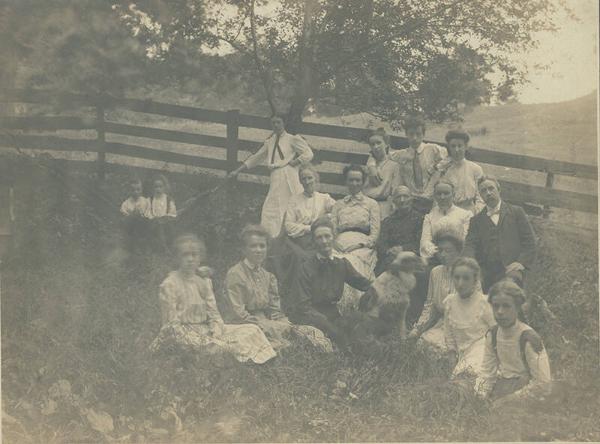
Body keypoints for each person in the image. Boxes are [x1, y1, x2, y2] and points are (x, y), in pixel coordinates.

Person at [149, 234, 277, 364]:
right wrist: (203, 338)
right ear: (177, 258)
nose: (190, 259)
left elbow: (213, 313)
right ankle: (240, 360)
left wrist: (216, 330)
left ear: (200, 258)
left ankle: (258, 361)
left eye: (194, 255)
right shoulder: (170, 284)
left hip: (206, 330)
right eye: (185, 255)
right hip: (182, 335)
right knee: (219, 346)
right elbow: (171, 325)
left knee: (251, 329)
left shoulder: (204, 282)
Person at [223, 225, 333, 352]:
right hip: (244, 324)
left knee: (306, 331)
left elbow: (275, 310)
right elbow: (238, 313)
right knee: (281, 340)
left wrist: (283, 324)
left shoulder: (268, 276)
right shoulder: (236, 274)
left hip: (265, 321)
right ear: (243, 249)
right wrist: (271, 326)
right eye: (253, 246)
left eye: (262, 246)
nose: (258, 250)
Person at [290, 217, 372, 348]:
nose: (324, 241)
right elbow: (302, 306)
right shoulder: (305, 268)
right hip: (311, 317)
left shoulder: (341, 264)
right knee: (340, 339)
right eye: (319, 237)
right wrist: (330, 328)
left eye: (327, 236)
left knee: (360, 324)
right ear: (313, 240)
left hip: (333, 314)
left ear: (334, 237)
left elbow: (366, 284)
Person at [228, 113, 314, 237]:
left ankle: (295, 235)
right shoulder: (269, 142)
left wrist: (295, 162)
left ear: (284, 123)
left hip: (289, 174)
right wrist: (237, 170)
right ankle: (271, 237)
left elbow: (308, 153)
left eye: (278, 122)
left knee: (292, 203)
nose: (276, 125)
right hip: (275, 176)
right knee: (272, 207)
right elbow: (255, 158)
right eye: (273, 123)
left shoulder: (292, 139)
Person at [475, 280, 552, 402]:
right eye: (496, 306)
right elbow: (487, 372)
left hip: (527, 394)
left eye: (506, 306)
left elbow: (543, 383)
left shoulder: (528, 338)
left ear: (517, 308)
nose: (500, 311)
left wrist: (509, 400)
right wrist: (480, 396)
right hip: (504, 386)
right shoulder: (493, 335)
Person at [464, 176, 537, 292]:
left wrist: (521, 262)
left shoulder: (516, 212)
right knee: (475, 288)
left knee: (509, 288)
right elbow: (470, 245)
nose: (488, 193)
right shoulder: (476, 221)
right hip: (487, 271)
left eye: (491, 188)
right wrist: (470, 264)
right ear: (481, 196)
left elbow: (530, 242)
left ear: (499, 190)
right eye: (483, 191)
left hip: (511, 268)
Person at [331, 165, 380, 314]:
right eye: (351, 180)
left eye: (358, 180)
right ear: (346, 182)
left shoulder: (372, 204)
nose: (354, 183)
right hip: (339, 243)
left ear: (363, 182)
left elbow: (375, 234)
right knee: (334, 261)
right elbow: (332, 230)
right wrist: (334, 243)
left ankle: (354, 307)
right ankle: (334, 306)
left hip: (362, 245)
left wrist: (359, 245)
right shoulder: (338, 204)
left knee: (351, 261)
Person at [409, 231, 463, 353]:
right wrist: (418, 329)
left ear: (459, 252)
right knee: (421, 344)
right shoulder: (435, 272)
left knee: (442, 350)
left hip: (461, 328)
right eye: (440, 250)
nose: (443, 255)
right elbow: (429, 306)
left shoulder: (467, 274)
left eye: (448, 251)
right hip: (441, 324)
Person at [444, 257, 495, 378]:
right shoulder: (449, 302)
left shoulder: (484, 302)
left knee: (471, 376)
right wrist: (452, 359)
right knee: (457, 382)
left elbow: (497, 330)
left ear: (475, 280)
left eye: (466, 278)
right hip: (463, 353)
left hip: (483, 349)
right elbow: (449, 335)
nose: (460, 283)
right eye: (457, 278)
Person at [386, 116, 447, 214]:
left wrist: (436, 167)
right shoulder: (401, 154)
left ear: (423, 134)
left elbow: (448, 157)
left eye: (418, 134)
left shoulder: (432, 149)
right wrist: (371, 161)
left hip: (430, 198)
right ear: (406, 134)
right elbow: (383, 156)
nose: (414, 138)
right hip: (411, 201)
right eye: (411, 134)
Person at [375, 185, 424, 275]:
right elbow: (381, 244)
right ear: (394, 201)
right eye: (398, 197)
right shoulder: (387, 221)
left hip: (412, 257)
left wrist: (402, 248)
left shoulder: (420, 218)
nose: (402, 200)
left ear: (411, 199)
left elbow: (420, 242)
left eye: (405, 196)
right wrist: (389, 251)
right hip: (390, 258)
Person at [420, 180, 472, 263]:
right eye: (439, 194)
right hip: (436, 258)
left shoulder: (466, 215)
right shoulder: (429, 217)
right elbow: (425, 241)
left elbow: (466, 240)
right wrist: (438, 252)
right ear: (434, 196)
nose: (442, 197)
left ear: (453, 195)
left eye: (446, 193)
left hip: (459, 258)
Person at [435, 130, 485, 215]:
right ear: (449, 148)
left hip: (469, 211)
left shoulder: (475, 169)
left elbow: (480, 197)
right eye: (453, 146)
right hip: (448, 211)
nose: (456, 150)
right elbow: (437, 195)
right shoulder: (443, 169)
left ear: (466, 147)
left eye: (460, 146)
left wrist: (476, 214)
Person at [363, 129, 401, 219]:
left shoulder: (394, 166)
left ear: (386, 144)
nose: (376, 147)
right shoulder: (369, 165)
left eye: (378, 143)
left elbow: (394, 190)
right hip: (366, 204)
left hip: (383, 205)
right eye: (372, 144)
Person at [119, 176, 151, 254]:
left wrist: (145, 215)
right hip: (131, 224)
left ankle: (146, 245)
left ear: (141, 190)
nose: (135, 192)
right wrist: (130, 215)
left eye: (138, 189)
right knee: (134, 224)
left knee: (146, 225)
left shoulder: (145, 201)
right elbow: (123, 211)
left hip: (143, 222)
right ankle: (135, 245)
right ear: (129, 191)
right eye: (133, 190)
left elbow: (148, 210)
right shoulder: (127, 202)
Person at [148, 174, 177, 252]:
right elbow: (148, 211)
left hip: (166, 220)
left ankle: (172, 245)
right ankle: (164, 247)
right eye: (156, 187)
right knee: (159, 227)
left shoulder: (168, 199)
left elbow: (172, 211)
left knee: (171, 229)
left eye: (160, 187)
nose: (158, 189)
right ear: (152, 188)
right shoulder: (150, 199)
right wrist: (153, 217)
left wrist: (167, 217)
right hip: (154, 221)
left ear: (165, 187)